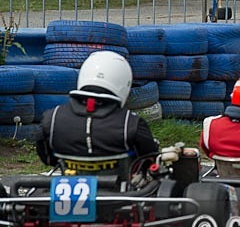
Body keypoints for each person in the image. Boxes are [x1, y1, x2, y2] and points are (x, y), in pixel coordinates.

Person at [36, 51, 159, 179]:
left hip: (65, 194)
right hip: (120, 195)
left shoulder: (52, 119)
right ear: (124, 82)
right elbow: (148, 161)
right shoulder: (131, 123)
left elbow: (48, 159)